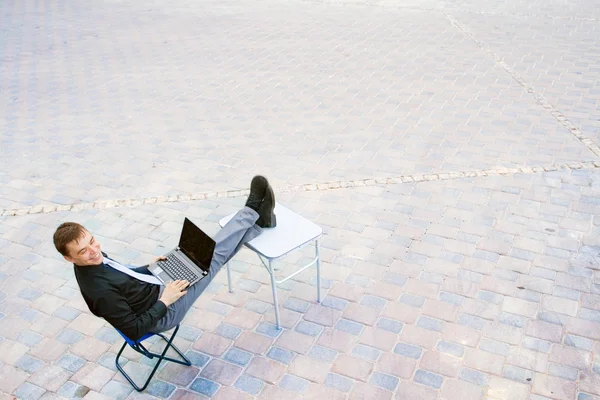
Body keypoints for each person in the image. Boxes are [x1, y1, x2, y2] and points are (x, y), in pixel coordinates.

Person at [53, 176, 276, 341]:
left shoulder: (94, 260)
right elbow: (135, 329)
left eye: (92, 241)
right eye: (83, 251)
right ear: (69, 258)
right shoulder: (100, 292)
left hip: (153, 285)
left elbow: (121, 276)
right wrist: (166, 300)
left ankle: (257, 221)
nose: (93, 250)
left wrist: (147, 268)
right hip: (162, 313)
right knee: (210, 257)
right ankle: (251, 210)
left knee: (199, 255)